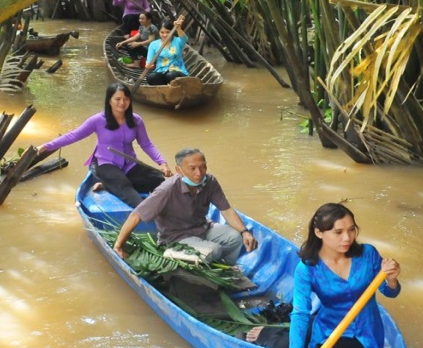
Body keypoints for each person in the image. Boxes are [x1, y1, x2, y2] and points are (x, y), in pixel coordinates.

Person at [247, 202, 401, 348]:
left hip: (363, 332)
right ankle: (271, 333)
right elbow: (301, 312)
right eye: (338, 232)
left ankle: (302, 343)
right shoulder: (307, 268)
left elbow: (389, 292)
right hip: (326, 325)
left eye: (351, 230)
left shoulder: (367, 254)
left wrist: (392, 279)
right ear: (319, 233)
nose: (347, 238)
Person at [37, 82, 172, 207]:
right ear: (109, 100)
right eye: (117, 99)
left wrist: (162, 162)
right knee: (125, 187)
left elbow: (146, 144)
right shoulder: (98, 120)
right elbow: (74, 135)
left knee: (157, 180)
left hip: (129, 163)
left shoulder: (136, 120)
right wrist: (46, 146)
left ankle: (108, 185)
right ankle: (144, 211)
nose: (122, 103)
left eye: (126, 99)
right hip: (105, 163)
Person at [113, 147, 258, 264]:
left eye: (203, 167)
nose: (199, 173)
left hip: (202, 228)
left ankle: (223, 266)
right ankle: (176, 254)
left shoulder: (210, 182)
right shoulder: (167, 190)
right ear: (179, 170)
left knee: (234, 237)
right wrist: (119, 245)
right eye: (192, 168)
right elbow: (136, 215)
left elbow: (226, 210)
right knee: (214, 249)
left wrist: (244, 231)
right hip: (177, 237)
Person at [145, 14, 189, 85]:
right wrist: (148, 65)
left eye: (168, 32)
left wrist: (178, 28)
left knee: (170, 75)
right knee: (151, 77)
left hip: (177, 71)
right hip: (160, 72)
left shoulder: (178, 41)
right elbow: (149, 61)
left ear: (172, 32)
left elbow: (184, 38)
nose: (165, 35)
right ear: (159, 32)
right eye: (162, 32)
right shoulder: (153, 44)